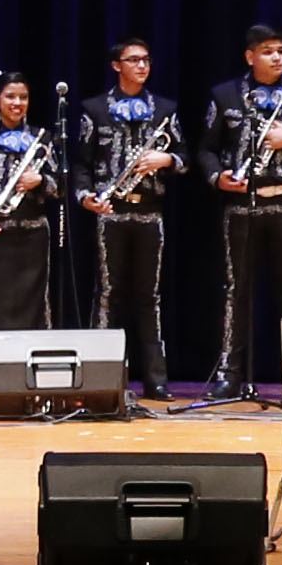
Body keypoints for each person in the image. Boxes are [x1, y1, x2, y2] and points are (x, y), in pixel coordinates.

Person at [195, 25, 282, 405]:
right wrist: (217, 178)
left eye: (281, 50)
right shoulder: (224, 96)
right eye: (268, 51)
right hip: (242, 204)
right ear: (250, 56)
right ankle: (230, 375)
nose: (277, 57)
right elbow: (206, 150)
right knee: (236, 291)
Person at [75, 39, 186, 400]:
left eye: (146, 60)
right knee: (108, 295)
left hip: (150, 212)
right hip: (111, 212)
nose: (142, 66)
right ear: (116, 65)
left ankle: (156, 379)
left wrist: (165, 160)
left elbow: (184, 154)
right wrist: (86, 197)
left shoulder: (165, 110)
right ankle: (101, 378)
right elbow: (81, 163)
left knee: (148, 296)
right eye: (133, 60)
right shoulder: (94, 109)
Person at [0, 70, 60, 332]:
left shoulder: (43, 137)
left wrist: (39, 181)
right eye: (10, 97)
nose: (17, 103)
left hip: (34, 234)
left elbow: (59, 187)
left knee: (36, 304)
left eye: (23, 97)